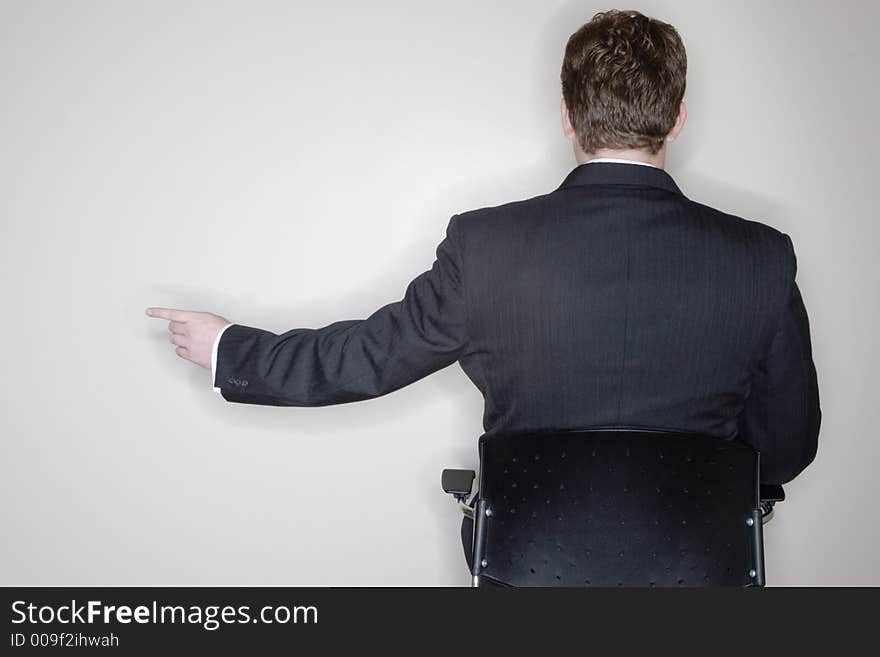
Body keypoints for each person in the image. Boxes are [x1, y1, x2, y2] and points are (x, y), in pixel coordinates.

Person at [147, 9, 820, 487]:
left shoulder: (486, 247)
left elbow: (365, 358)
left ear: (566, 113)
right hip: (700, 574)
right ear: (677, 116)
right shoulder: (761, 258)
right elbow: (786, 448)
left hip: (530, 571)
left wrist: (229, 349)